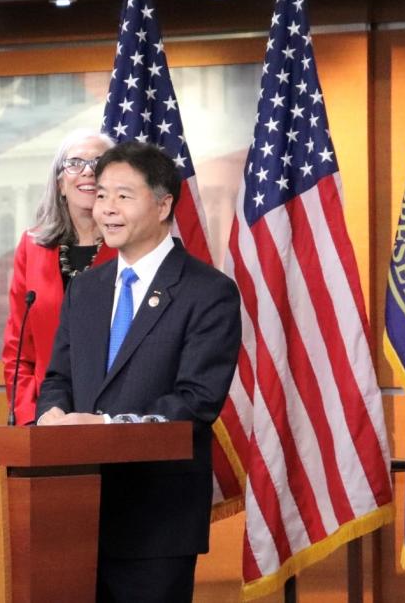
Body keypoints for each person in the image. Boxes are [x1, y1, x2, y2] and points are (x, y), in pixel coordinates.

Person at [35, 141, 240, 602]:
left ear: (164, 203)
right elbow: (58, 379)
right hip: (73, 513)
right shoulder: (85, 289)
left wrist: (106, 427)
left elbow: (197, 400)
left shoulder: (208, 292)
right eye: (102, 195)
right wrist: (52, 415)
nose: (106, 209)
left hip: (155, 521)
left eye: (123, 196)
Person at [2, 130, 117, 425]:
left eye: (99, 162)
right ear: (60, 184)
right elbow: (18, 348)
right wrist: (29, 417)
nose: (88, 171)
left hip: (110, 417)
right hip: (46, 416)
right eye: (75, 163)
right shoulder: (32, 246)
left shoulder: (128, 250)